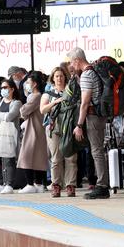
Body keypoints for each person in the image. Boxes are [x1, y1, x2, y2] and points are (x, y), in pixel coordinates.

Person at [68, 48, 110, 199]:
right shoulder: (93, 71)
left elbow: (85, 103)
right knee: (97, 150)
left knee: (97, 151)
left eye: (72, 62)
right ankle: (102, 183)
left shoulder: (86, 75)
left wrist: (79, 125)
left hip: (93, 116)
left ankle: (102, 185)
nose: (72, 65)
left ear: (78, 60)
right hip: (99, 115)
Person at [41, 67, 77, 198]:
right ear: (53, 78)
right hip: (53, 127)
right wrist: (55, 102)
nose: (59, 78)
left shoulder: (71, 92)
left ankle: (70, 185)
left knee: (71, 158)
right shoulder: (48, 94)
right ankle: (56, 185)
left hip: (69, 128)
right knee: (56, 158)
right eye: (56, 76)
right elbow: (42, 110)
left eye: (61, 76)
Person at [0, 79, 22, 194]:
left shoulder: (16, 103)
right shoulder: (0, 100)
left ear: (12, 89)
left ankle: (9, 184)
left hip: (9, 133)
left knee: (8, 158)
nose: (3, 90)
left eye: (5, 87)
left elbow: (9, 117)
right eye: (2, 88)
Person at [17, 72, 48, 194]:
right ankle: (38, 183)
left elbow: (24, 111)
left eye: (29, 83)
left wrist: (22, 107)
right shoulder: (37, 96)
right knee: (37, 156)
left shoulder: (36, 97)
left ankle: (30, 183)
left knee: (27, 155)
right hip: (36, 127)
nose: (27, 85)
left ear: (34, 84)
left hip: (33, 128)